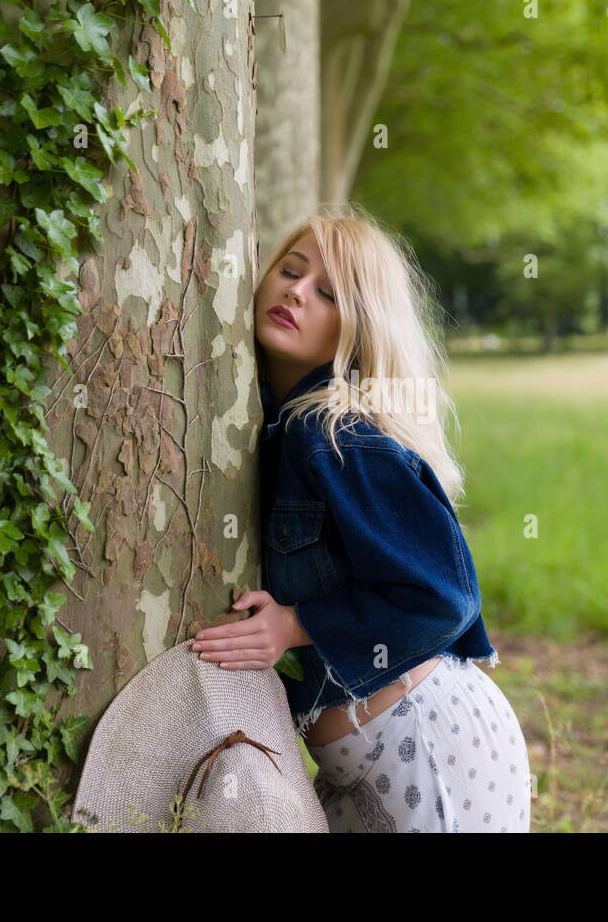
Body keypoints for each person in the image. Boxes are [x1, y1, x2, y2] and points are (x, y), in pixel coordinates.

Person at [190, 203, 530, 832]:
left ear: (362, 326)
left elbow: (442, 597)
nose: (296, 291)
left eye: (328, 293)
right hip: (362, 759)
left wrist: (295, 625)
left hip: (426, 746)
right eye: (290, 272)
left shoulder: (336, 432)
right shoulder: (277, 422)